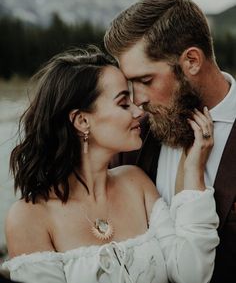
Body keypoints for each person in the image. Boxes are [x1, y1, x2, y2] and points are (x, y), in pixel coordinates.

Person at [2, 48, 219, 283]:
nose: (139, 111)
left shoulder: (136, 183)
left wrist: (193, 170)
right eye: (124, 103)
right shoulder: (29, 217)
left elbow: (192, 275)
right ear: (82, 121)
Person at [104, 0, 236, 283]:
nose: (137, 100)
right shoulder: (133, 136)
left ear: (191, 61)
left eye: (146, 81)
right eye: (131, 83)